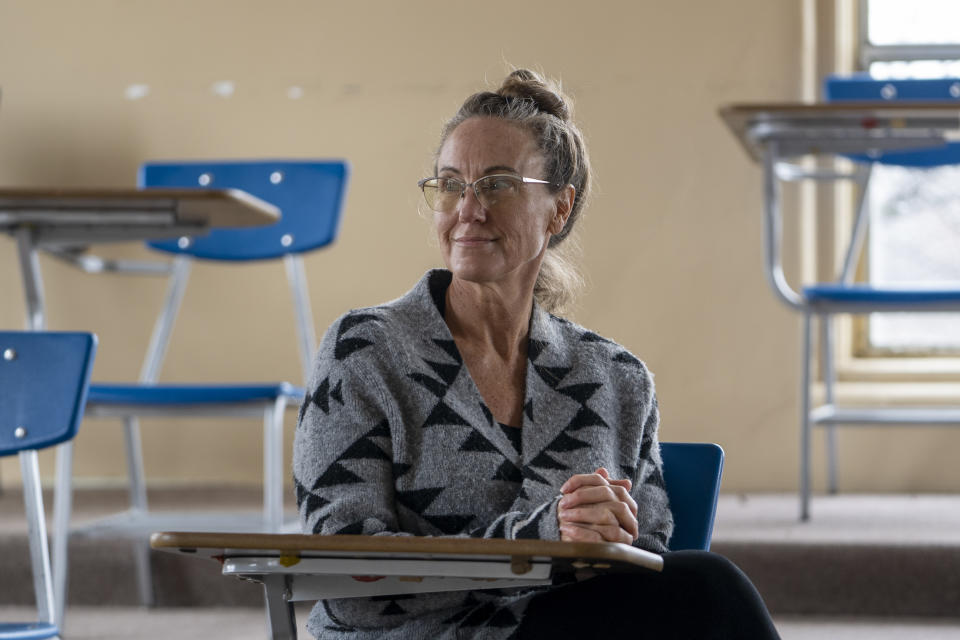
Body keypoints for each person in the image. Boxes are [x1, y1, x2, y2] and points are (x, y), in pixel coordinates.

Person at [293, 68, 780, 640]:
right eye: (450, 184)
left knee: (701, 586)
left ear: (558, 209)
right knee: (707, 587)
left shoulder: (616, 379)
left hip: (560, 628)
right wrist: (540, 537)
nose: (468, 209)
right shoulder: (366, 352)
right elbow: (341, 568)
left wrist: (606, 534)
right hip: (414, 635)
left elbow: (647, 565)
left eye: (497, 184)